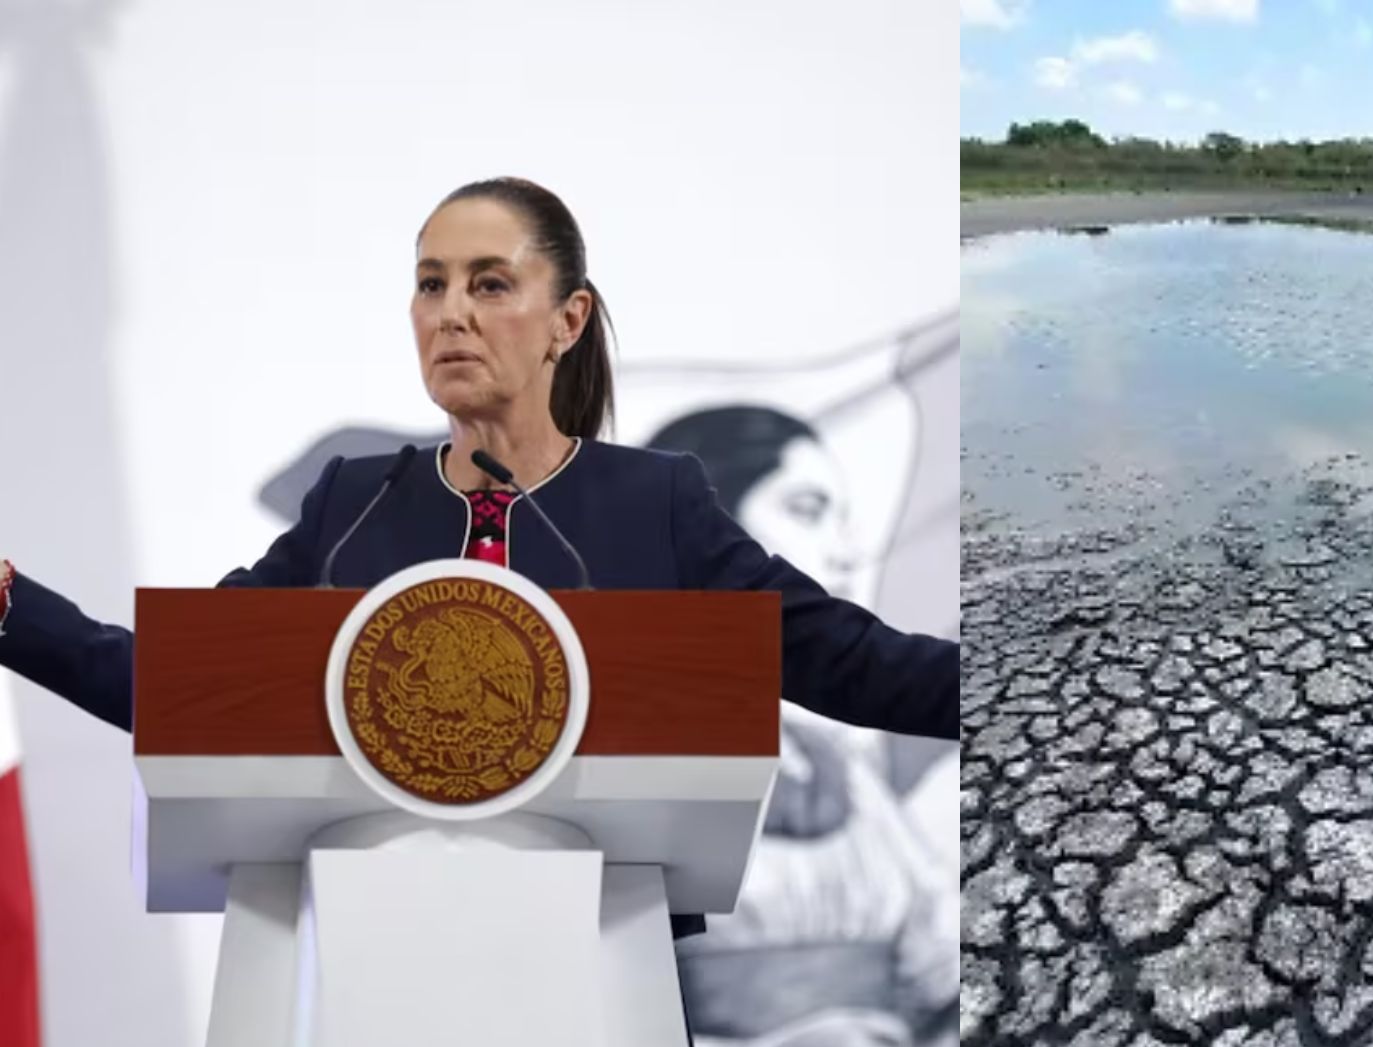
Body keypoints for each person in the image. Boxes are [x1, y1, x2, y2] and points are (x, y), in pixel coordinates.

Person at [0, 176, 958, 742]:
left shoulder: (654, 502)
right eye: (431, 284)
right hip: (384, 957)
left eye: (490, 284)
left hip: (604, 964)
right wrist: (10, 606)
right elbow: (182, 688)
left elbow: (850, 662)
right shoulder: (353, 506)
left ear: (567, 321)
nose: (451, 311)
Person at [649, 407, 959, 1047]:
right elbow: (557, 1015)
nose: (847, 551)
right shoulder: (618, 758)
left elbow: (938, 988)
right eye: (807, 509)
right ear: (711, 532)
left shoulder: (841, 771)